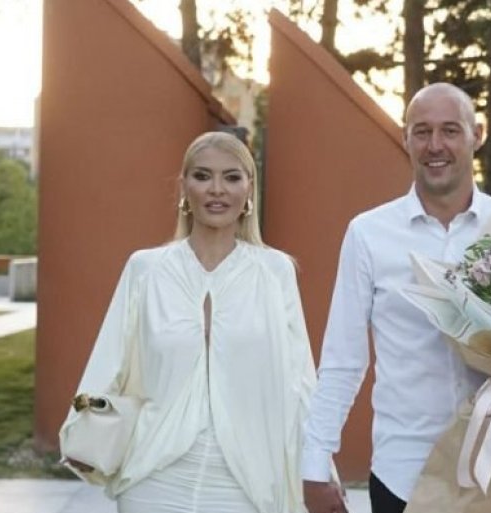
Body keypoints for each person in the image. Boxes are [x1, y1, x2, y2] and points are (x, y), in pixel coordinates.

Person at [61, 131, 316, 513]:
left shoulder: (274, 271)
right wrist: (83, 432)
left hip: (248, 479)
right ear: (184, 187)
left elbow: (300, 379)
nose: (217, 189)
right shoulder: (145, 269)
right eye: (202, 176)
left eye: (232, 177)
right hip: (152, 474)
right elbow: (109, 358)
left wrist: (319, 467)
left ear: (249, 189)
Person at [301, 83, 491, 513]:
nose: (435, 145)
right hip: (403, 475)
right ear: (405, 138)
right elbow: (343, 361)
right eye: (421, 132)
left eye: (450, 130)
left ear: (477, 135)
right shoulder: (369, 234)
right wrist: (314, 465)